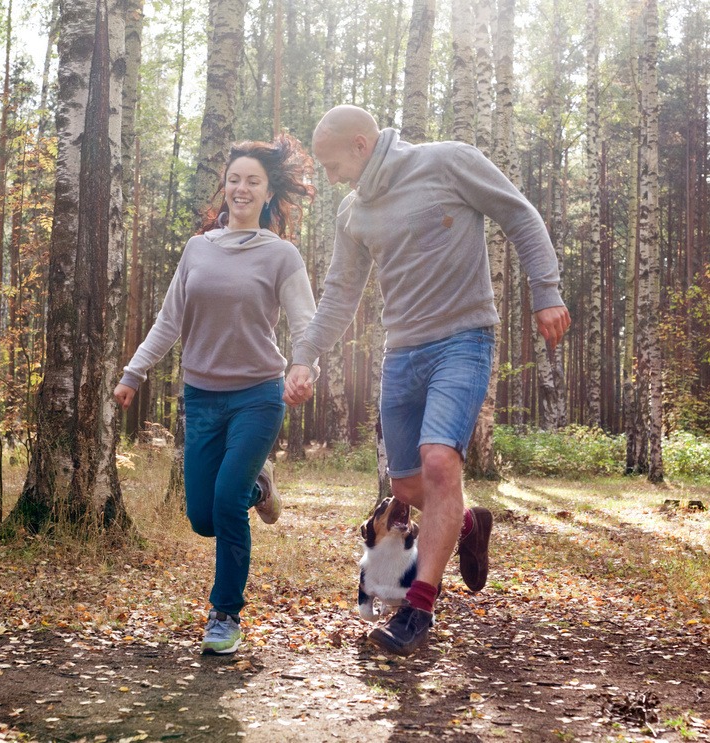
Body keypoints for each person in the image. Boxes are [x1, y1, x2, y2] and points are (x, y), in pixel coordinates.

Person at [284, 105, 571, 657]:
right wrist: (305, 358)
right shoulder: (352, 214)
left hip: (464, 341)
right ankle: (466, 523)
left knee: (441, 463)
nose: (329, 175)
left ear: (362, 146)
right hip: (403, 355)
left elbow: (519, 214)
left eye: (332, 163)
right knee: (409, 487)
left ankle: (419, 608)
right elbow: (340, 296)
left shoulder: (448, 163)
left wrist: (547, 290)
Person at [114, 134, 318, 655]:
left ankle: (225, 615)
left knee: (225, 501)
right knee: (203, 517)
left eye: (253, 181)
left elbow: (305, 322)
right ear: (224, 187)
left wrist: (303, 368)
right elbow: (169, 320)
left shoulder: (281, 254)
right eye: (234, 180)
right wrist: (134, 373)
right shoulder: (198, 247)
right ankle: (259, 489)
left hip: (258, 395)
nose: (241, 188)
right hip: (201, 398)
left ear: (269, 192)